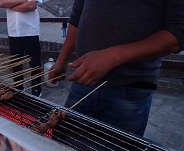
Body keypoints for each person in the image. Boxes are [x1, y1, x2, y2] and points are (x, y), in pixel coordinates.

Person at [49, 0, 184, 136]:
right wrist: (62, 60)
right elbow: (77, 15)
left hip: (130, 87)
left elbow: (178, 31)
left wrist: (112, 57)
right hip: (83, 78)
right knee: (64, 140)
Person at [0, 0, 43, 97]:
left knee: (35, 62)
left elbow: (31, 5)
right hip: (14, 31)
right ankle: (18, 87)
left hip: (31, 30)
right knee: (16, 62)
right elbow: (2, 3)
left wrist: (12, 5)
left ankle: (36, 89)